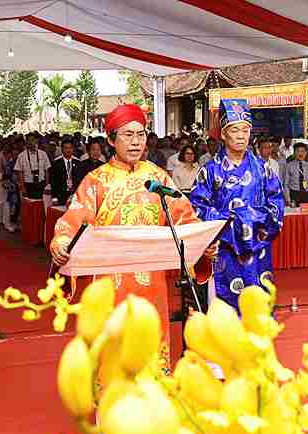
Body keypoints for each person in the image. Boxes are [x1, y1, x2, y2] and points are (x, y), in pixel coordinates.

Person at [50, 104, 216, 359]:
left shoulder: (158, 178)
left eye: (140, 134)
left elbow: (184, 218)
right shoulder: (96, 181)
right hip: (110, 284)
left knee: (150, 351)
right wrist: (61, 244)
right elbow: (72, 221)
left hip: (152, 284)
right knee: (113, 353)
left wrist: (202, 244)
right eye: (128, 135)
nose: (136, 142)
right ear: (111, 139)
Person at [189, 99, 285, 310]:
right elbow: (197, 206)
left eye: (245, 130)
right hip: (225, 249)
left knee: (258, 302)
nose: (241, 135)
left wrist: (251, 221)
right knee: (226, 309)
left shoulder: (263, 169)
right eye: (234, 130)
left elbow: (277, 203)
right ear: (223, 134)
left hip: (256, 247)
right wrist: (231, 225)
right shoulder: (210, 170)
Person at [14, 133, 51, 199]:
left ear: (36, 141)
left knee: (41, 204)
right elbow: (20, 173)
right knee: (30, 205)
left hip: (41, 183)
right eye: (29, 140)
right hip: (28, 184)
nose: (31, 142)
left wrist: (47, 186)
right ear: (26, 142)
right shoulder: (21, 156)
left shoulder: (43, 154)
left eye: (32, 140)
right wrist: (23, 188)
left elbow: (47, 170)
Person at [49, 139, 81, 205]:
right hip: (61, 195)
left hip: (74, 195)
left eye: (70, 148)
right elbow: (53, 182)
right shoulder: (56, 163)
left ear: (73, 149)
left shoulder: (78, 162)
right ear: (62, 149)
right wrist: (54, 198)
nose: (68, 150)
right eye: (66, 148)